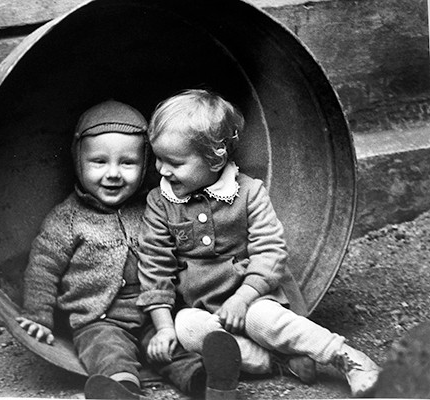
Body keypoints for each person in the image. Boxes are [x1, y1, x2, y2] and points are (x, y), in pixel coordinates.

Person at [137, 89, 381, 399]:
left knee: (262, 319)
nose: (161, 169)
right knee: (186, 326)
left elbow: (270, 251)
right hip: (205, 311)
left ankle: (346, 358)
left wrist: (244, 297)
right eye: (158, 158)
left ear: (215, 159)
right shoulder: (161, 202)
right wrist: (163, 327)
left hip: (254, 299)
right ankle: (277, 361)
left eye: (174, 162)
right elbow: (155, 265)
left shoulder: (249, 193)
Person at [16, 99, 205, 400]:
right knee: (107, 352)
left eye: (128, 162)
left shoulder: (154, 208)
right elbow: (43, 269)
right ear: (78, 161)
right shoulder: (67, 218)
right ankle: (120, 390)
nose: (113, 173)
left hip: (155, 314)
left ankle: (208, 383)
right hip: (99, 320)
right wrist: (38, 316)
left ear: (145, 165)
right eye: (99, 162)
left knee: (177, 346)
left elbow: (181, 252)